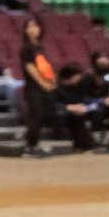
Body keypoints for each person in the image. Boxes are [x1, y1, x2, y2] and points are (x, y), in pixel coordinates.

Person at [18, 18, 64, 159]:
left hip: (43, 87)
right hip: (33, 88)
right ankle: (30, 147)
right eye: (29, 27)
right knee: (34, 118)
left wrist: (51, 81)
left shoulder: (39, 47)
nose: (32, 29)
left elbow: (44, 67)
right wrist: (43, 84)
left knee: (40, 117)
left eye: (35, 26)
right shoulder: (27, 48)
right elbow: (30, 67)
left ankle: (35, 146)